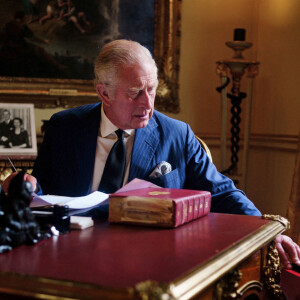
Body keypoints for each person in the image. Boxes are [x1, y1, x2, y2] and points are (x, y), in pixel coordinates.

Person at [2, 40, 300, 269]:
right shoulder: (65, 127)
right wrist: (23, 185)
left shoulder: (176, 134)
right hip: (68, 257)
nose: (148, 103)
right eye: (135, 92)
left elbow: (222, 192)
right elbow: (42, 191)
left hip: (147, 262)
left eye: (152, 89)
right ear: (104, 93)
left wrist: (265, 232)